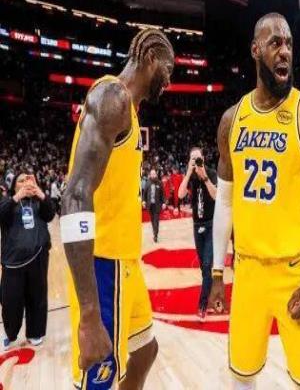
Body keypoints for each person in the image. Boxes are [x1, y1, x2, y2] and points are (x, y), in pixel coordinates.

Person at [208, 13, 300, 390]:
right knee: (241, 377)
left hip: (295, 272)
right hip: (247, 272)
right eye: (275, 43)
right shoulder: (232, 120)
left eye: (289, 44)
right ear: (255, 50)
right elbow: (226, 202)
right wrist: (216, 273)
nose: (285, 52)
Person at [61, 28, 174, 389]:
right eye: (168, 70)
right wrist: (89, 315)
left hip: (126, 262)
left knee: (145, 350)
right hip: (104, 263)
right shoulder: (113, 97)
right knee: (100, 379)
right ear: (151, 57)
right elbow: (74, 196)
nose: (168, 81)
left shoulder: (130, 110)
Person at [0, 172, 55, 350]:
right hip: (13, 260)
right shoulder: (8, 202)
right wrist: (17, 197)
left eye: (29, 179)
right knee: (10, 300)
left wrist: (40, 193)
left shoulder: (39, 202)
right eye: (21, 180)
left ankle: (35, 332)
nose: (26, 183)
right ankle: (10, 333)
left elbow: (51, 214)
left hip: (38, 256)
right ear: (14, 186)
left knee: (37, 296)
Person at [178, 147, 217, 320]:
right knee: (204, 269)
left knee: (207, 265)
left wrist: (205, 177)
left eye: (198, 159)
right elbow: (180, 195)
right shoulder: (191, 176)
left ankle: (202, 306)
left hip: (211, 225)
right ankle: (212, 295)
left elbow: (216, 196)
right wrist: (188, 172)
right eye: (193, 160)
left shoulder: (211, 173)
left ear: (203, 158)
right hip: (197, 225)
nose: (196, 162)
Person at [142, 169, 166, 243]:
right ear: (150, 175)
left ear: (156, 174)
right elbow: (144, 194)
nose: (153, 175)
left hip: (157, 205)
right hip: (150, 205)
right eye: (151, 174)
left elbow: (163, 194)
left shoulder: (159, 183)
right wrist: (144, 201)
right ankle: (154, 231)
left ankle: (155, 235)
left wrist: (164, 203)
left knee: (156, 220)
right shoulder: (147, 183)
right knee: (152, 220)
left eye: (154, 174)